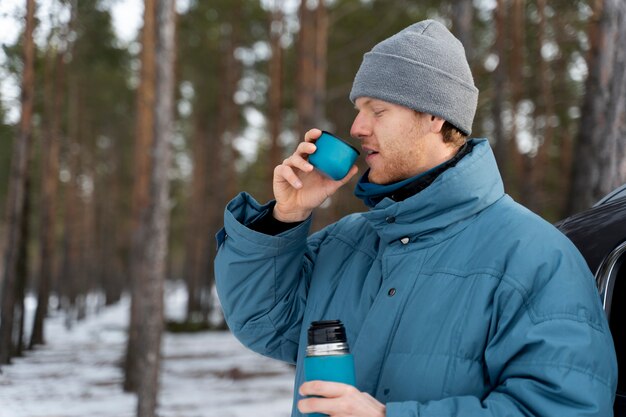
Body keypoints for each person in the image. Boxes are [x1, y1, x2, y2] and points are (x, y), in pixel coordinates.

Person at [214, 19, 617, 417]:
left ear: (435, 117)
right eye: (359, 110)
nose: (357, 127)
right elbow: (265, 324)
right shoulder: (346, 244)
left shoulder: (536, 257)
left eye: (378, 110)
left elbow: (564, 408)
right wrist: (285, 218)